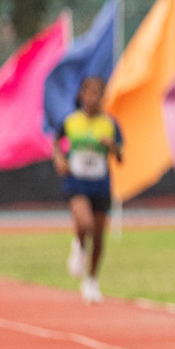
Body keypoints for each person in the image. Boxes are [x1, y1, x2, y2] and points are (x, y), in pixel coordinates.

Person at [51, 76, 122, 304]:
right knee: (85, 224)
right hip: (76, 182)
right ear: (82, 96)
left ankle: (91, 280)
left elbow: (120, 156)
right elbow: (56, 142)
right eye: (88, 93)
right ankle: (79, 245)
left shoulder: (110, 124)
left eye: (97, 94)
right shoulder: (71, 122)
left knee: (100, 236)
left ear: (102, 97)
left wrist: (113, 147)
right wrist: (59, 159)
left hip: (100, 184)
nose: (92, 99)